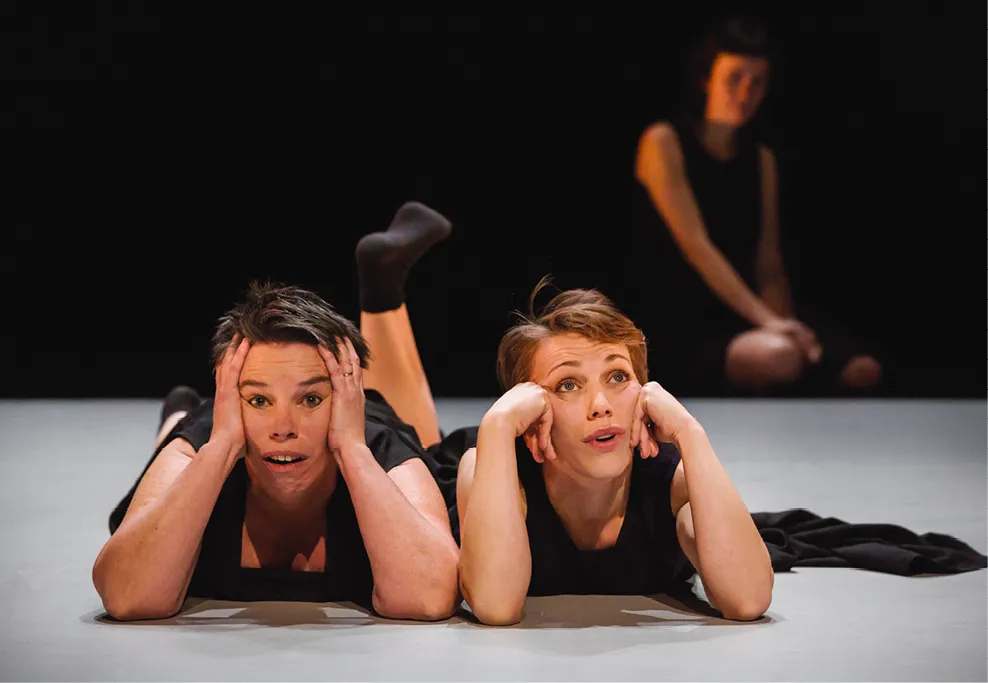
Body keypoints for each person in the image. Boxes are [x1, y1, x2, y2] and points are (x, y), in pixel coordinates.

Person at [93, 202, 460, 622]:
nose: (283, 428)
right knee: (181, 437)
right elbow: (127, 598)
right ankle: (180, 415)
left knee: (423, 438)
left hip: (364, 426)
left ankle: (382, 294)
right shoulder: (206, 444)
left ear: (341, 402)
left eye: (310, 400)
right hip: (216, 429)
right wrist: (220, 447)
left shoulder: (377, 445)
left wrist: (354, 449)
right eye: (259, 400)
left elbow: (430, 598)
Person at [446, 278, 774, 625]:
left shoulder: (672, 481)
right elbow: (495, 606)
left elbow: (749, 600)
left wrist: (690, 432)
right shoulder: (491, 467)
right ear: (530, 412)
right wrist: (497, 425)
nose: (601, 406)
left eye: (617, 377)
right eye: (568, 385)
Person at [632, 15, 883, 395]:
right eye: (734, 78)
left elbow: (768, 262)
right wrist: (768, 323)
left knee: (862, 368)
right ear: (706, 80)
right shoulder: (663, 141)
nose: (745, 93)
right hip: (682, 319)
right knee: (777, 357)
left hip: (747, 314)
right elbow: (697, 247)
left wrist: (787, 324)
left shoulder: (760, 158)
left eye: (757, 82)